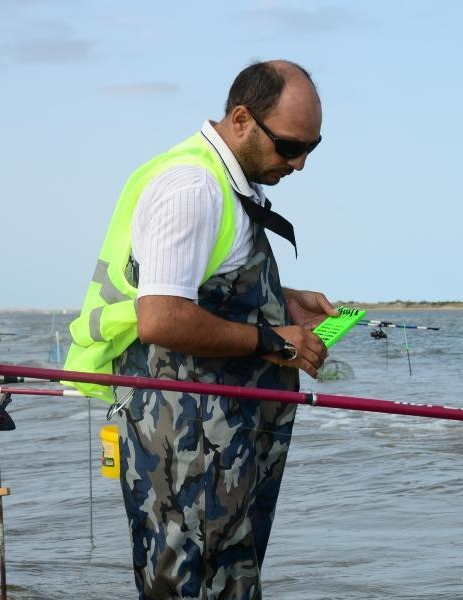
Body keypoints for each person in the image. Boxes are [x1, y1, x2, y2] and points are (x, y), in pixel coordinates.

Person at [65, 60, 336, 599]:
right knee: (192, 583)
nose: (300, 163)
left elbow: (202, 286)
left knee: (231, 578)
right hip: (187, 440)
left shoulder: (223, 183)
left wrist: (280, 300)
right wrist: (273, 339)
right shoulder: (192, 188)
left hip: (222, 438)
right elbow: (161, 316)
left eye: (313, 146)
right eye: (288, 146)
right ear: (241, 119)